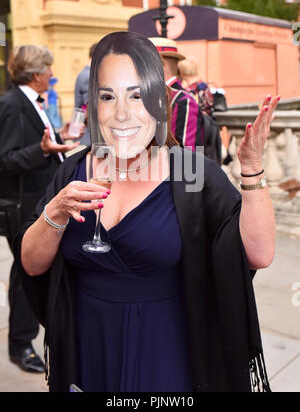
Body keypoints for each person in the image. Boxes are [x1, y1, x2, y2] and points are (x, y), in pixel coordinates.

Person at [13, 31, 278, 392]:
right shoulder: (71, 171)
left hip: (166, 352)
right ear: (94, 104)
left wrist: (251, 169)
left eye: (137, 96)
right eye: (108, 96)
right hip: (86, 349)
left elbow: (258, 254)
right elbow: (31, 263)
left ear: (158, 101)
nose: (122, 113)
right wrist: (54, 214)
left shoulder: (191, 172)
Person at [0, 45, 82, 373]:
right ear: (36, 74)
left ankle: (27, 337)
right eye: (48, 69)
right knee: (25, 272)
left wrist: (57, 141)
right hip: (21, 203)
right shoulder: (11, 105)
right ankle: (21, 346)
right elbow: (5, 160)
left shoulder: (31, 102)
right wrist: (42, 150)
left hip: (36, 197)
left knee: (27, 272)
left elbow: (35, 146)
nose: (52, 74)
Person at [74, 43, 97, 147]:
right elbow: (89, 107)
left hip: (83, 131)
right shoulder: (89, 75)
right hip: (88, 134)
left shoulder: (84, 73)